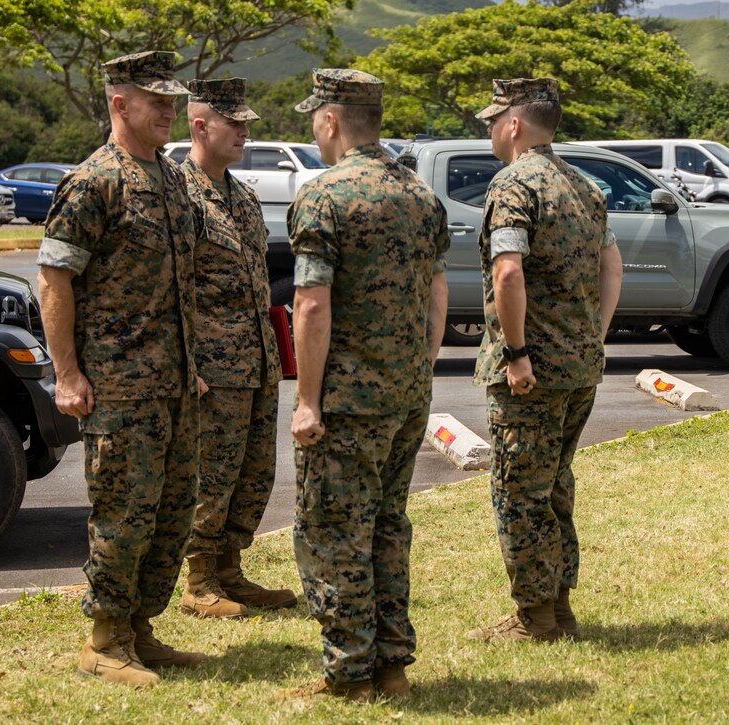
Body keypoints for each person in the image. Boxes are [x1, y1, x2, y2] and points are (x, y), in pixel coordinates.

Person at [37, 50, 207, 687]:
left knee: (171, 514)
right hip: (120, 387)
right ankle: (104, 643)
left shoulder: (169, 180)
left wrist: (193, 365)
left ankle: (139, 629)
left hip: (175, 385)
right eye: (155, 100)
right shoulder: (94, 181)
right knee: (124, 516)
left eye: (172, 101)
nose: (169, 111)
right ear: (119, 103)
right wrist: (68, 374)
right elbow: (55, 279)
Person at [287, 69, 450, 702]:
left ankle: (349, 675)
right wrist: (421, 367)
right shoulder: (419, 196)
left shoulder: (325, 196)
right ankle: (392, 667)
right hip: (406, 395)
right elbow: (438, 290)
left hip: (347, 405)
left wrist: (306, 401)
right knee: (387, 526)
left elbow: (311, 304)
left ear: (330, 121)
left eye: (314, 118)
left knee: (333, 532)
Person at [467, 77, 623, 643]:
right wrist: (593, 336)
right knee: (555, 484)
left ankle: (536, 619)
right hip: (579, 365)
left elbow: (508, 271)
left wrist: (516, 352)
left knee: (519, 491)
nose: (489, 130)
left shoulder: (513, 184)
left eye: (493, 120)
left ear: (513, 125)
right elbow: (613, 266)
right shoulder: (584, 186)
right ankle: (559, 608)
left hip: (530, 373)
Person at [178, 78, 296, 619]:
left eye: (247, 122)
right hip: (211, 367)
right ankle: (197, 580)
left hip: (255, 362)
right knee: (211, 473)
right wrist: (188, 363)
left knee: (253, 473)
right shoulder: (178, 194)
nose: (245, 131)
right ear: (201, 125)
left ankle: (230, 570)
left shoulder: (243, 196)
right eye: (235, 122)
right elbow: (168, 287)